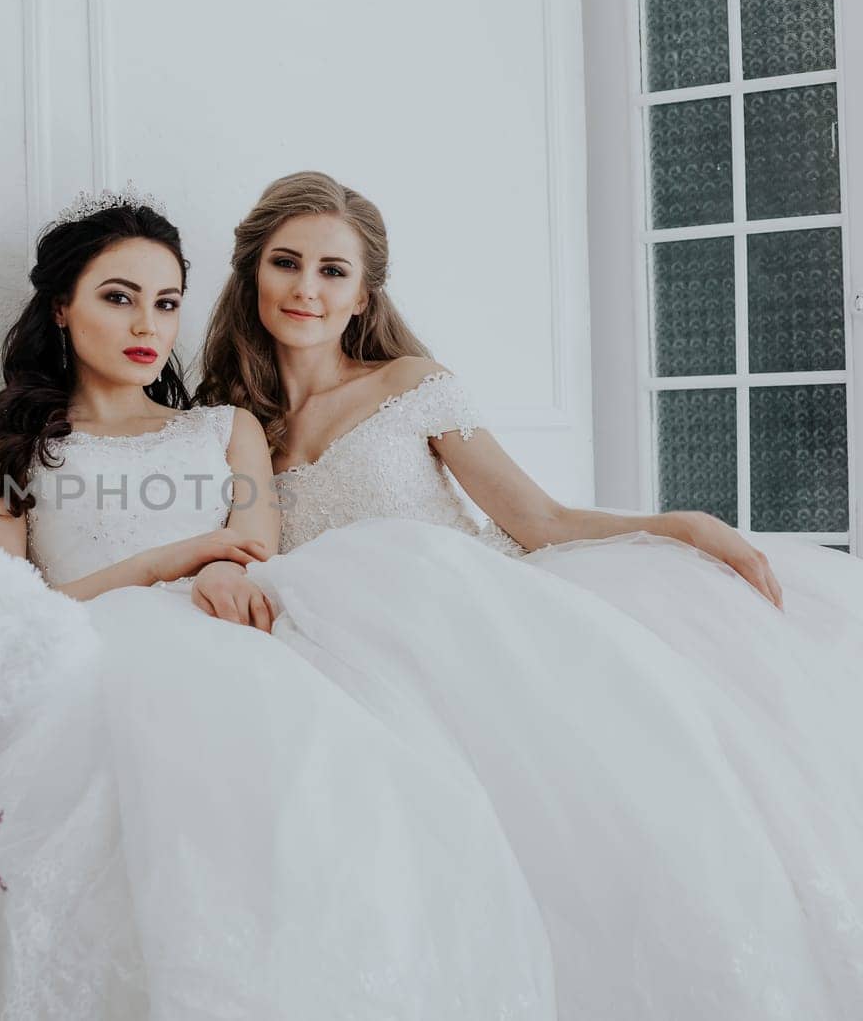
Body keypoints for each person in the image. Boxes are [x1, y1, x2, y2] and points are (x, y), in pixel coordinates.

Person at [198, 170, 863, 1017]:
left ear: (363, 294)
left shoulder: (410, 384)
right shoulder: (227, 419)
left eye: (333, 271)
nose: (306, 288)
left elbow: (537, 516)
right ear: (253, 271)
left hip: (463, 618)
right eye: (286, 263)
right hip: (339, 651)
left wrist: (681, 525)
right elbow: (225, 542)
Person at [0, 190, 555, 1020]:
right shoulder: (11, 438)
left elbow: (255, 550)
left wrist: (224, 572)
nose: (147, 326)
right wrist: (172, 558)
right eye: (118, 297)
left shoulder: (225, 427)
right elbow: (3, 610)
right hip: (85, 654)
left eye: (166, 303)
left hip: (232, 643)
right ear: (62, 307)